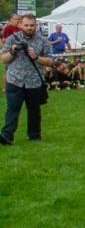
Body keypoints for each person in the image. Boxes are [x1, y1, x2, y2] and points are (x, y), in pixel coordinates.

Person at [2, 15, 52, 145]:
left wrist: (36, 57)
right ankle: (7, 136)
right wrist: (12, 51)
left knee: (34, 110)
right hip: (14, 80)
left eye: (32, 25)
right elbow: (3, 59)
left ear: (36, 25)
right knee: (12, 109)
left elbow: (49, 61)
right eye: (26, 25)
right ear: (20, 25)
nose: (29, 28)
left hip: (34, 81)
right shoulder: (12, 39)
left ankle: (35, 136)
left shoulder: (43, 41)